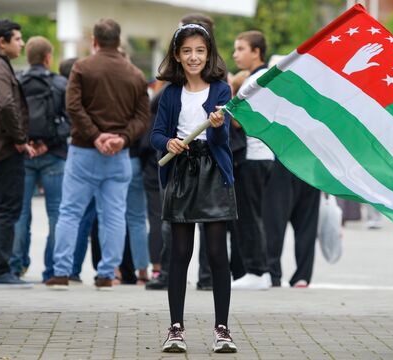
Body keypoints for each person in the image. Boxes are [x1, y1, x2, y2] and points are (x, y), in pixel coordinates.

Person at [151, 23, 237, 353]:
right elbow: (155, 134)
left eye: (200, 50)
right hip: (181, 174)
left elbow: (221, 138)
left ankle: (222, 329)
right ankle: (175, 329)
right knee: (179, 255)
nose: (193, 57)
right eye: (187, 51)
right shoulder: (170, 93)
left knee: (217, 254)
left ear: (209, 53)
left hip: (214, 173)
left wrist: (215, 126)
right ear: (176, 55)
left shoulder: (220, 90)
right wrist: (168, 142)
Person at [45, 18, 150, 290]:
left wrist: (95, 135)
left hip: (83, 151)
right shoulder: (135, 74)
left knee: (70, 211)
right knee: (114, 215)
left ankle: (61, 271)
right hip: (120, 155)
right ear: (118, 40)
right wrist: (121, 137)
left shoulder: (81, 68)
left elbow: (73, 106)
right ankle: (106, 274)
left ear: (94, 40)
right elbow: (142, 117)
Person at [10, 36, 68, 283]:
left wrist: (24, 141)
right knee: (56, 212)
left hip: (22, 155)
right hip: (53, 156)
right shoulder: (60, 83)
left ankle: (16, 267)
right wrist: (49, 142)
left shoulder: (16, 81)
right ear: (48, 58)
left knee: (20, 213)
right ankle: (51, 270)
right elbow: (71, 120)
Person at [0, 19, 36, 288]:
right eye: (17, 38)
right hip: (3, 150)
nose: (22, 43)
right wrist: (19, 139)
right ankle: (0, 269)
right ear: (2, 42)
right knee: (7, 210)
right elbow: (5, 104)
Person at [230, 30, 274, 290]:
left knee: (250, 215)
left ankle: (257, 271)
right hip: (263, 156)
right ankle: (258, 271)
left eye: (241, 48)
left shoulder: (256, 80)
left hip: (254, 155)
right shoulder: (263, 78)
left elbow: (240, 120)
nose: (235, 54)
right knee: (253, 213)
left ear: (256, 52)